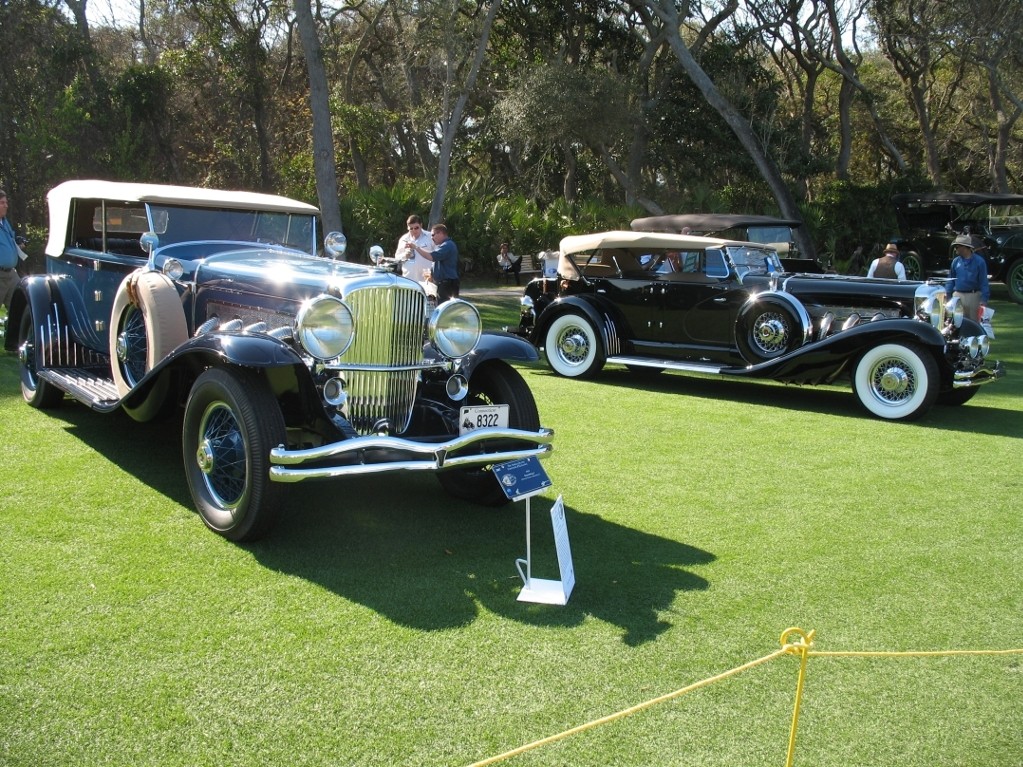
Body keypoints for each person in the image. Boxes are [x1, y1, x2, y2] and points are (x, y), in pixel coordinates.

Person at [945, 233, 990, 321]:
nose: (955, 249)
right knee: (957, 323)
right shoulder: (955, 261)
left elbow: (984, 282)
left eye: (957, 246)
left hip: (974, 296)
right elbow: (950, 280)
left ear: (965, 247)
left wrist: (984, 299)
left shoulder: (979, 262)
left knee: (975, 324)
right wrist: (948, 295)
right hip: (957, 295)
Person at [1, 188, 26, 315]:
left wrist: (17, 243)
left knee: (20, 306)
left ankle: (15, 334)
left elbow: (9, 240)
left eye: (6, 202)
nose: (6, 205)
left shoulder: (4, 222)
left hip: (11, 274)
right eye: (2, 203)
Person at [422, 223, 460, 302]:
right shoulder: (441, 246)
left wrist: (416, 248)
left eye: (433, 235)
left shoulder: (448, 245)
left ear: (440, 233)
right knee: (439, 308)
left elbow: (432, 257)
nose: (432, 238)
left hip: (448, 284)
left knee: (446, 310)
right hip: (442, 283)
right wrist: (431, 275)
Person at [393, 214, 434, 283]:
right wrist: (405, 255)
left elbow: (437, 254)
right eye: (411, 229)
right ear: (407, 228)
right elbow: (397, 257)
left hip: (425, 278)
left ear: (421, 225)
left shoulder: (430, 236)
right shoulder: (403, 239)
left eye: (416, 228)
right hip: (408, 278)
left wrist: (433, 273)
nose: (414, 230)